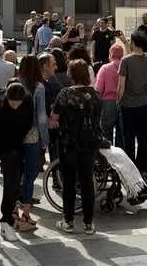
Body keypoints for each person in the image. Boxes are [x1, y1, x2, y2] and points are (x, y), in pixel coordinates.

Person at [50, 59, 102, 235]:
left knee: (69, 182)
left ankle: (68, 221)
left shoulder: (65, 94)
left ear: (71, 74)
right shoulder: (95, 94)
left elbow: (54, 117)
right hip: (89, 143)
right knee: (87, 181)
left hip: (69, 143)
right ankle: (89, 223)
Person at [0, 81, 33, 241]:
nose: (15, 106)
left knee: (12, 184)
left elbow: (27, 124)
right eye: (12, 103)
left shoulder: (27, 100)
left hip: (12, 146)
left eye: (18, 103)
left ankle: (6, 221)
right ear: (6, 96)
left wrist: (15, 140)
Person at [18, 54, 49, 228]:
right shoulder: (38, 87)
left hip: (15, 135)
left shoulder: (14, 83)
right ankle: (26, 213)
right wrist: (45, 140)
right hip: (32, 135)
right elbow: (42, 118)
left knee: (16, 173)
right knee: (30, 175)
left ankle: (13, 211)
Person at [118, 31, 147, 179]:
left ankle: (131, 170)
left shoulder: (125, 60)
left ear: (133, 43)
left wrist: (118, 101)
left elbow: (121, 86)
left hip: (128, 105)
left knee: (129, 139)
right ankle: (143, 168)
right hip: (143, 104)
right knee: (143, 139)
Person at [95, 43, 123, 145]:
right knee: (121, 133)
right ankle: (120, 152)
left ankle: (109, 153)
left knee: (106, 132)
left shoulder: (105, 68)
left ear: (110, 55)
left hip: (108, 103)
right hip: (123, 101)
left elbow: (98, 88)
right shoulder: (126, 66)